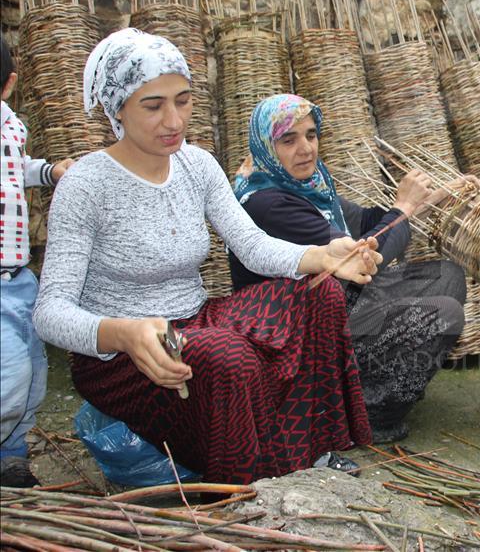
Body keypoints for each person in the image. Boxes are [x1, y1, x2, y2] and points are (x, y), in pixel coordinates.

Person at [33, 29, 382, 483]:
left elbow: (252, 245)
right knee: (228, 357)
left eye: (183, 100)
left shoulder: (197, 165)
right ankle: (238, 480)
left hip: (196, 322)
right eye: (153, 106)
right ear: (117, 109)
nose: (174, 120)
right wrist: (125, 334)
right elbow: (49, 312)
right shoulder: (86, 186)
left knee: (322, 297)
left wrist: (321, 255)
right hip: (121, 359)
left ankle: (306, 449)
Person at [229, 94, 480, 443]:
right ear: (266, 147)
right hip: (297, 330)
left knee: (447, 276)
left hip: (338, 301)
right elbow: (360, 259)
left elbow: (363, 223)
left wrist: (435, 197)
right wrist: (403, 208)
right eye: (289, 140)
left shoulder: (308, 183)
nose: (306, 149)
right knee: (443, 314)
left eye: (311, 135)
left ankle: (368, 385)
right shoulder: (267, 202)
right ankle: (361, 414)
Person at [0, 35, 73, 487]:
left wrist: (50, 172)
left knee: (34, 369)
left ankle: (11, 452)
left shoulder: (12, 126)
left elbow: (17, 166)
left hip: (18, 271)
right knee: (11, 372)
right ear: (13, 81)